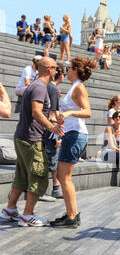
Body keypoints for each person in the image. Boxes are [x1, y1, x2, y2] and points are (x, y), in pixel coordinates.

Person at [0, 58, 64, 227]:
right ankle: (27, 215)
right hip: (31, 139)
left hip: (22, 137)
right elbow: (36, 112)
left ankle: (10, 209)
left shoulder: (35, 86)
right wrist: (52, 128)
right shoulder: (39, 87)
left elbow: (37, 112)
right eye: (56, 68)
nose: (58, 71)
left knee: (22, 176)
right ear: (49, 69)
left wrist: (52, 121)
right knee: (39, 175)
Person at [50, 57, 97, 228]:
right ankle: (72, 213)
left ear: (75, 70)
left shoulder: (79, 87)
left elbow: (87, 111)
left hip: (75, 135)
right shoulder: (73, 88)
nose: (67, 71)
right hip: (71, 134)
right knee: (63, 177)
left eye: (69, 68)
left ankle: (72, 216)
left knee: (64, 177)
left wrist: (68, 114)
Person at [45, 65, 65, 199]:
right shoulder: (53, 89)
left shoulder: (46, 86)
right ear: (61, 75)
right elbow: (53, 114)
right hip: (49, 130)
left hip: (44, 127)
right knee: (53, 157)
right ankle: (56, 188)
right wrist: (58, 135)